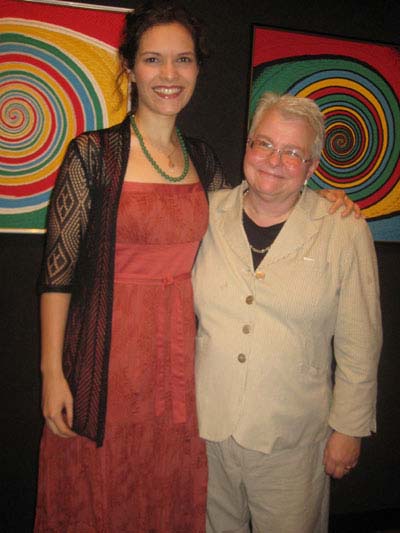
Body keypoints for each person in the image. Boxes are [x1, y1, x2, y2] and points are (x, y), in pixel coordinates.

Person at [34, 1, 356, 530]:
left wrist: (326, 198)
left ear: (198, 69)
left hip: (183, 367)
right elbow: (57, 273)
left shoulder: (205, 162)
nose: (169, 75)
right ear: (130, 67)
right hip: (107, 361)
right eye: (153, 60)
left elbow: (261, 204)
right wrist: (53, 373)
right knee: (102, 488)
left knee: (170, 488)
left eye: (183, 60)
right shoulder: (92, 155)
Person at [192, 92, 382, 533]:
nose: (274, 160)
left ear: (312, 167)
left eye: (292, 152)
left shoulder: (342, 228)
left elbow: (360, 341)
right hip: (208, 430)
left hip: (293, 441)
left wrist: (349, 429)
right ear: (247, 146)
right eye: (264, 144)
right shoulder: (206, 212)